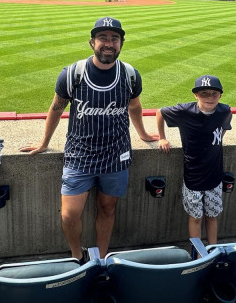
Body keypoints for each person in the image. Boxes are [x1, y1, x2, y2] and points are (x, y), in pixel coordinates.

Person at [19, 17, 158, 259]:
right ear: (91, 42)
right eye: (103, 38)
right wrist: (44, 142)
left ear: (121, 44)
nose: (109, 43)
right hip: (79, 155)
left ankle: (102, 259)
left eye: (114, 39)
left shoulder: (130, 75)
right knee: (69, 214)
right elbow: (56, 108)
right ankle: (78, 256)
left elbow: (135, 107)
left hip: (116, 155)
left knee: (108, 208)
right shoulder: (73, 74)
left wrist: (143, 134)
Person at [156, 75, 232, 244]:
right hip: (193, 176)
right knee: (196, 217)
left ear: (220, 95)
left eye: (214, 93)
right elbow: (160, 112)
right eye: (204, 93)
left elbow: (223, 129)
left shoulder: (225, 111)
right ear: (196, 95)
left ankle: (213, 250)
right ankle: (198, 253)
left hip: (214, 175)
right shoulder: (185, 111)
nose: (209, 97)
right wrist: (162, 137)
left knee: (212, 216)